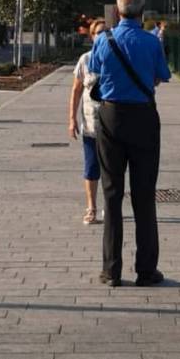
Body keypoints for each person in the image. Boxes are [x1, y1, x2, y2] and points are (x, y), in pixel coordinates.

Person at [89, 0, 170, 287]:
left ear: (118, 11)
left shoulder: (103, 40)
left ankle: (111, 270)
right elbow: (161, 76)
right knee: (144, 196)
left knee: (111, 195)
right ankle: (146, 270)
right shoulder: (151, 42)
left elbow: (95, 69)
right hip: (144, 118)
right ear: (142, 12)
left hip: (110, 118)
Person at [67, 18, 106, 225]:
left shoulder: (114, 58)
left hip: (113, 127)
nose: (101, 35)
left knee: (111, 169)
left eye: (104, 32)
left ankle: (110, 207)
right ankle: (91, 207)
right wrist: (72, 120)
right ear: (92, 36)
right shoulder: (85, 60)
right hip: (91, 126)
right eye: (97, 32)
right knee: (91, 168)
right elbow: (76, 91)